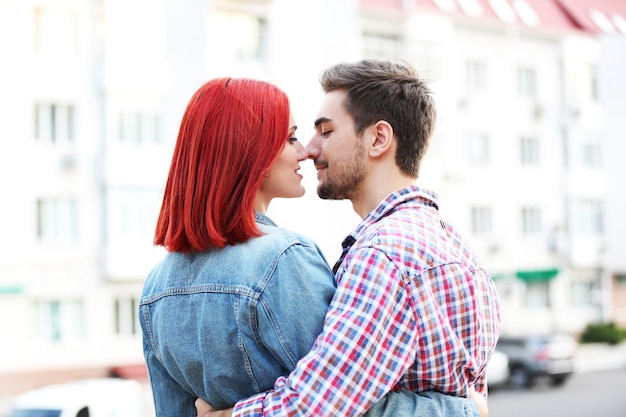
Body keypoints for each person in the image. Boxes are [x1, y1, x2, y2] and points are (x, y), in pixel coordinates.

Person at [140, 77, 487, 417]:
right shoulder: (283, 259)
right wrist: (467, 410)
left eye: (324, 131)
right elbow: (338, 406)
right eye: (290, 138)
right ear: (251, 152)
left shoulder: (155, 286)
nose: (305, 150)